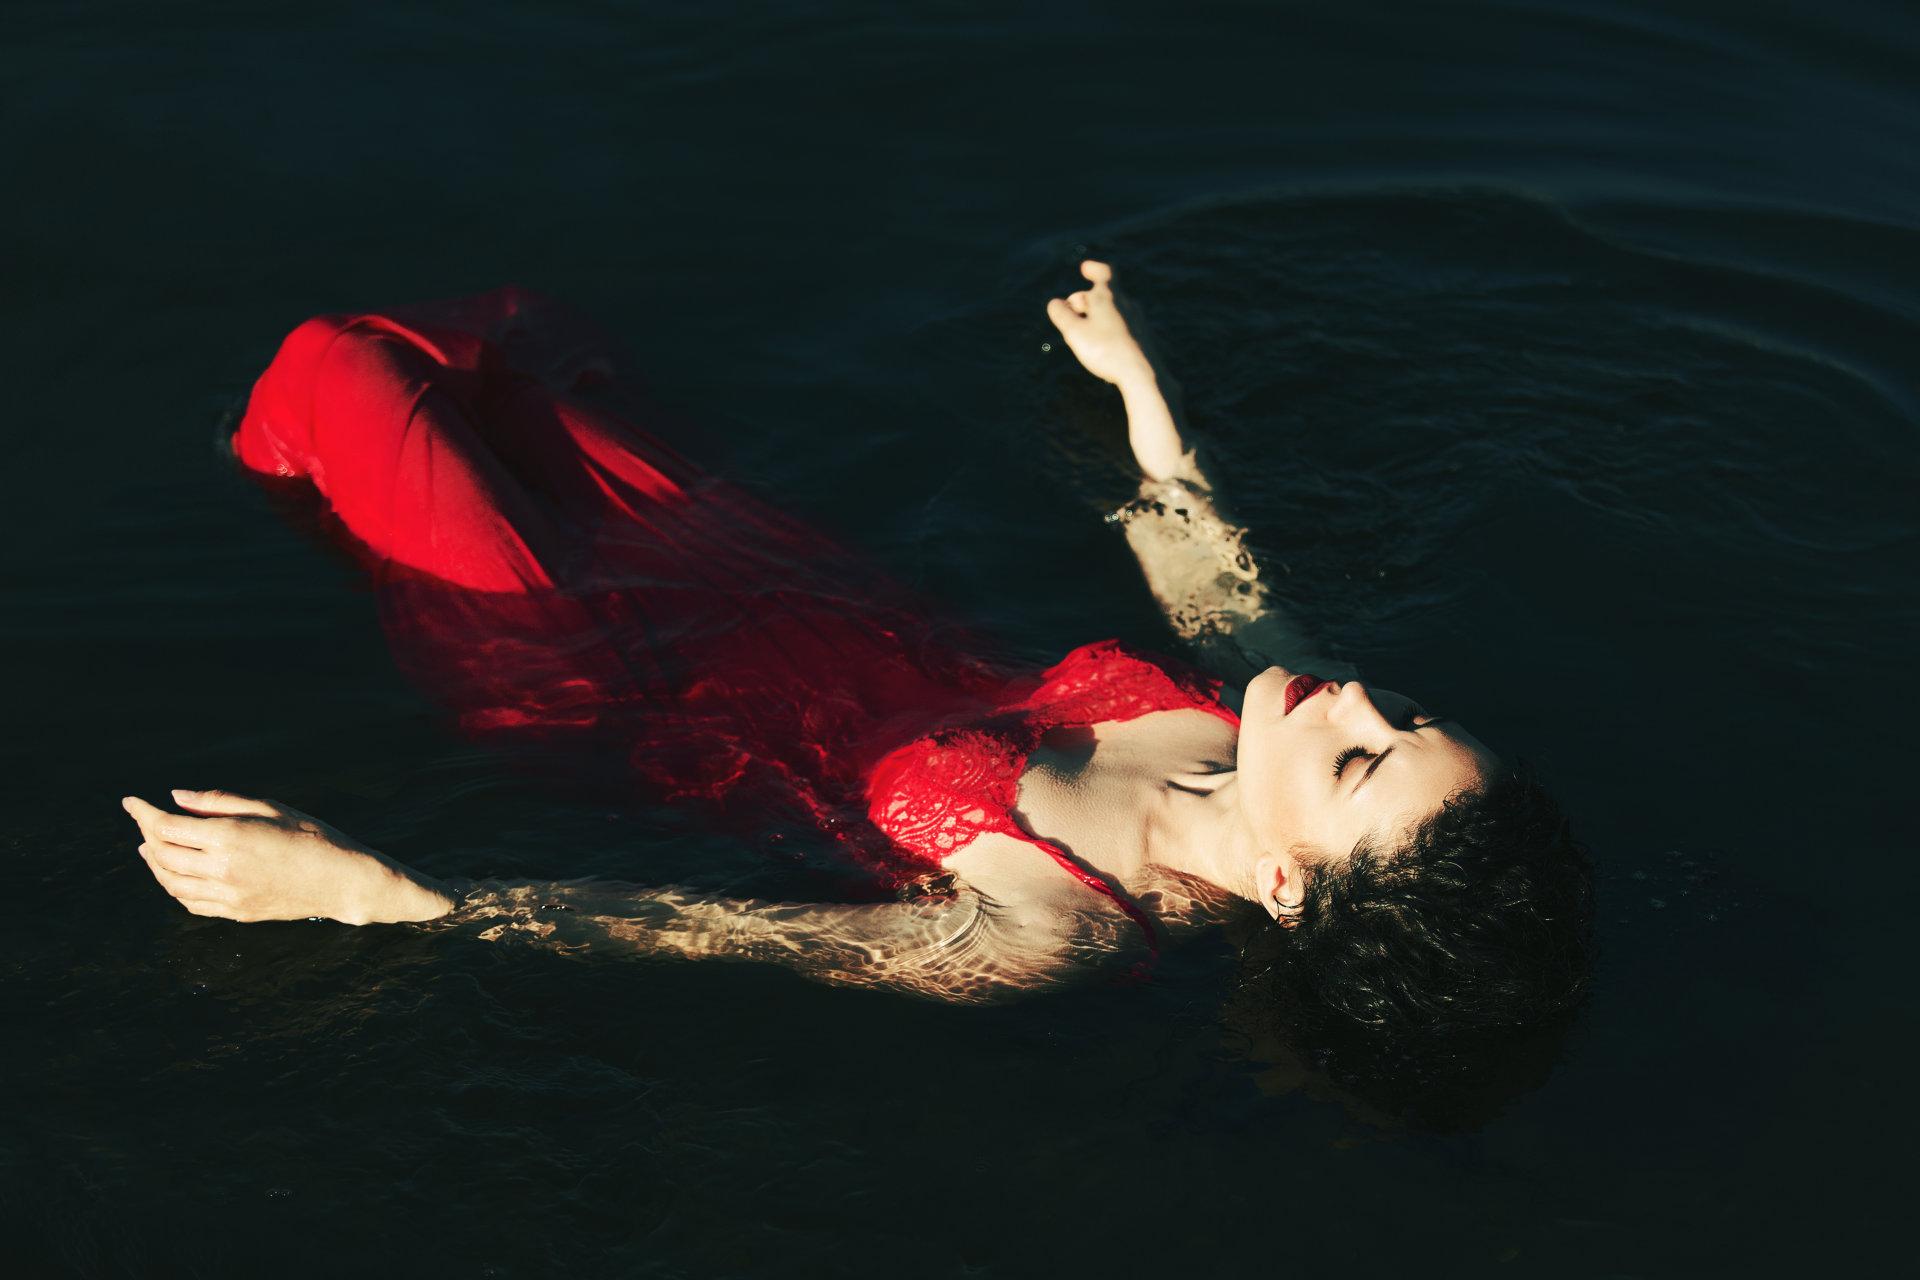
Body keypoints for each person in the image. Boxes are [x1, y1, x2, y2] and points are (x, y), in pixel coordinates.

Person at [122, 262, 1593, 1043]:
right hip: (755, 561)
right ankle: (325, 484)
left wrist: (387, 900)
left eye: (1360, 761)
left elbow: (708, 932)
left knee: (343, 363)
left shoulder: (1054, 931)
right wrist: (1142, 389)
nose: (1357, 698)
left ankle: (260, 484)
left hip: (601, 669)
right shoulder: (1257, 714)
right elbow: (1208, 559)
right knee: (516, 333)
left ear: (1286, 885)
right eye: (1410, 714)